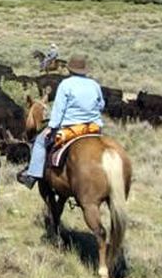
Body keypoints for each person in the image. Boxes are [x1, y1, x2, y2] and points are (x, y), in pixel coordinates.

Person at [17, 54, 104, 189]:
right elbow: (101, 105)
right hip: (93, 128)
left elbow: (58, 110)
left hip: (71, 128)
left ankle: (32, 175)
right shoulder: (94, 85)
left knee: (40, 141)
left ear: (70, 70)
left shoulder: (66, 84)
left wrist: (51, 127)